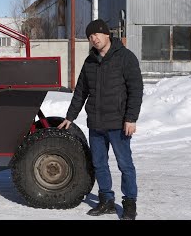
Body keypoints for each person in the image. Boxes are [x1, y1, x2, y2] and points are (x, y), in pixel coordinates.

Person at [58, 19, 143, 220]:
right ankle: (106, 201)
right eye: (90, 37)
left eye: (96, 34)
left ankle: (129, 203)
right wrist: (70, 117)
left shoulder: (125, 58)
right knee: (99, 164)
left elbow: (136, 90)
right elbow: (81, 92)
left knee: (125, 164)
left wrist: (131, 118)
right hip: (96, 123)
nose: (94, 39)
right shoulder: (90, 62)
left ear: (106, 34)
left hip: (118, 123)